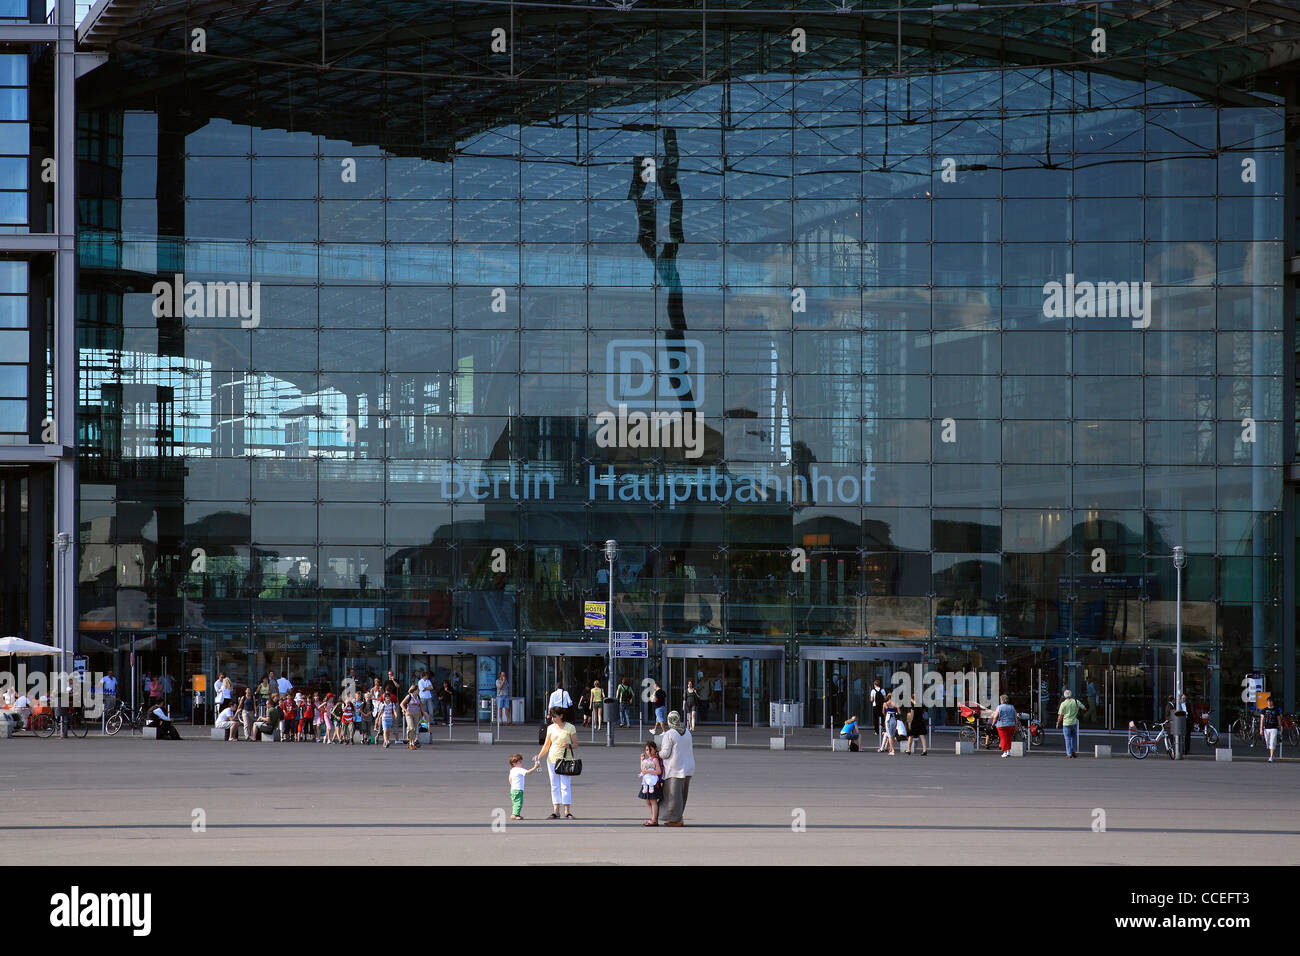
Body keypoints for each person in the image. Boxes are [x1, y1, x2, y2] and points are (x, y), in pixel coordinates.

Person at [534, 706, 578, 819]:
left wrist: (569, 746)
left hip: (566, 760)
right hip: (552, 760)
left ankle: (567, 811)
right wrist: (539, 755)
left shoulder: (570, 727)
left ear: (561, 716)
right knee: (554, 786)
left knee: (565, 785)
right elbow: (547, 745)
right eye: (551, 716)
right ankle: (556, 811)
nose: (553, 719)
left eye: (555, 716)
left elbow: (576, 744)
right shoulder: (550, 728)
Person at [657, 711, 694, 826]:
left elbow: (665, 753)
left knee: (673, 796)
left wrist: (657, 754)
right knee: (682, 795)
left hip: (675, 768)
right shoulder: (687, 731)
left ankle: (677, 820)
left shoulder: (670, 734)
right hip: (688, 767)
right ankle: (677, 817)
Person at [507, 753, 541, 820]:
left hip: (513, 789)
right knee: (519, 802)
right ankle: (515, 814)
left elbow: (510, 779)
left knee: (515, 802)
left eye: (521, 761)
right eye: (519, 762)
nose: (521, 763)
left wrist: (512, 785)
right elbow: (528, 772)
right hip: (518, 789)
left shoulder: (512, 770)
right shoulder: (519, 769)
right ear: (514, 763)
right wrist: (535, 767)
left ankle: (515, 813)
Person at [639, 740, 664, 826]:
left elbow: (658, 771)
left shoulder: (655, 759)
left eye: (650, 749)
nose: (648, 752)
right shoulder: (648, 759)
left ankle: (654, 819)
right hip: (647, 782)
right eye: (647, 750)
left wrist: (648, 772)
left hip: (653, 783)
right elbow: (643, 769)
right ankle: (652, 817)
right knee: (648, 801)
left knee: (653, 801)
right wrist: (641, 760)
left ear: (655, 750)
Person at [1056, 688, 1086, 758]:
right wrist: (1077, 709)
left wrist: (1057, 723)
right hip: (1074, 722)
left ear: (1064, 696)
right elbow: (1084, 708)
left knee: (1067, 738)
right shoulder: (1076, 701)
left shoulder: (1063, 704)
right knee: (1074, 737)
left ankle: (1069, 754)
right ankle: (1074, 751)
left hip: (1066, 723)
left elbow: (1060, 715)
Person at [1259, 698, 1281, 763]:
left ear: (1272, 702)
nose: (1269, 703)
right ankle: (1272, 754)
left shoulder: (1276, 710)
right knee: (1268, 742)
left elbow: (1279, 719)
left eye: (1270, 701)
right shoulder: (1264, 710)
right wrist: (1261, 729)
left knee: (1272, 741)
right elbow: (1262, 720)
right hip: (1266, 728)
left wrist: (1280, 728)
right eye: (1268, 702)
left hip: (1274, 728)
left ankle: (1271, 757)